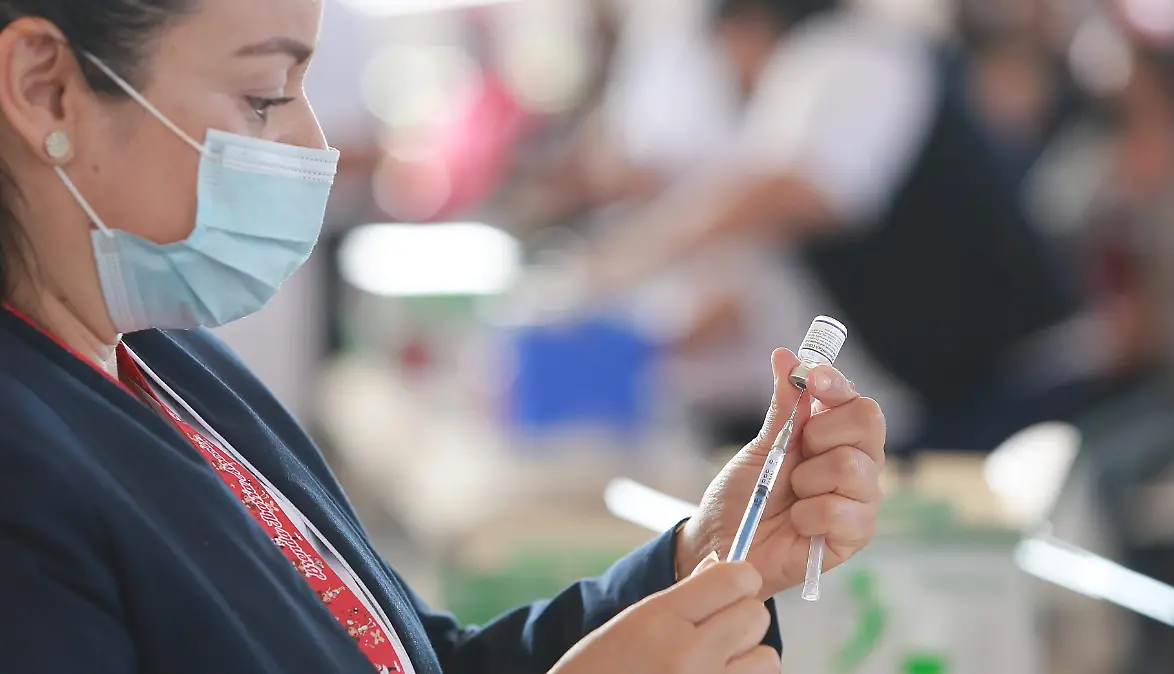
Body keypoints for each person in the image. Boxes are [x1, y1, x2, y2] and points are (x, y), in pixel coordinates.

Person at [0, 1, 886, 673]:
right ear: (45, 87)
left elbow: (411, 658)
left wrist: (699, 556)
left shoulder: (167, 360)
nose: (312, 141)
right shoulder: (24, 473)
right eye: (263, 95)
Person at [585, 0, 1078, 455]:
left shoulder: (852, 55)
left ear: (748, 26)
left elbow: (802, 190)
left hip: (1010, 383)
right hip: (940, 390)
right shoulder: (801, 90)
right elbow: (764, 283)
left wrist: (627, 257)